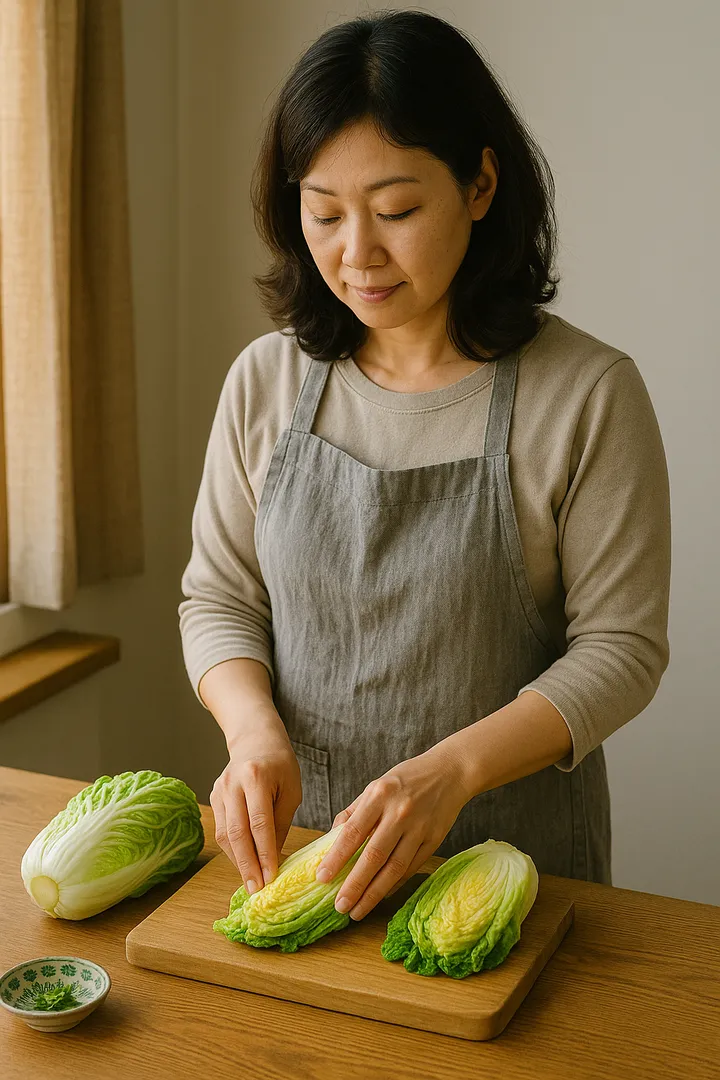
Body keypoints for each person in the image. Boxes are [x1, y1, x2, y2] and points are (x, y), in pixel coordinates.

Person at [179, 10, 670, 922]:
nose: (355, 253)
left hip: (510, 880)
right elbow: (218, 599)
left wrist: (451, 772)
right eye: (323, 213)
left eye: (396, 210)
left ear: (480, 184)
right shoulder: (265, 380)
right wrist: (252, 734)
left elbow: (623, 649)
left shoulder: (589, 394)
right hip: (306, 871)